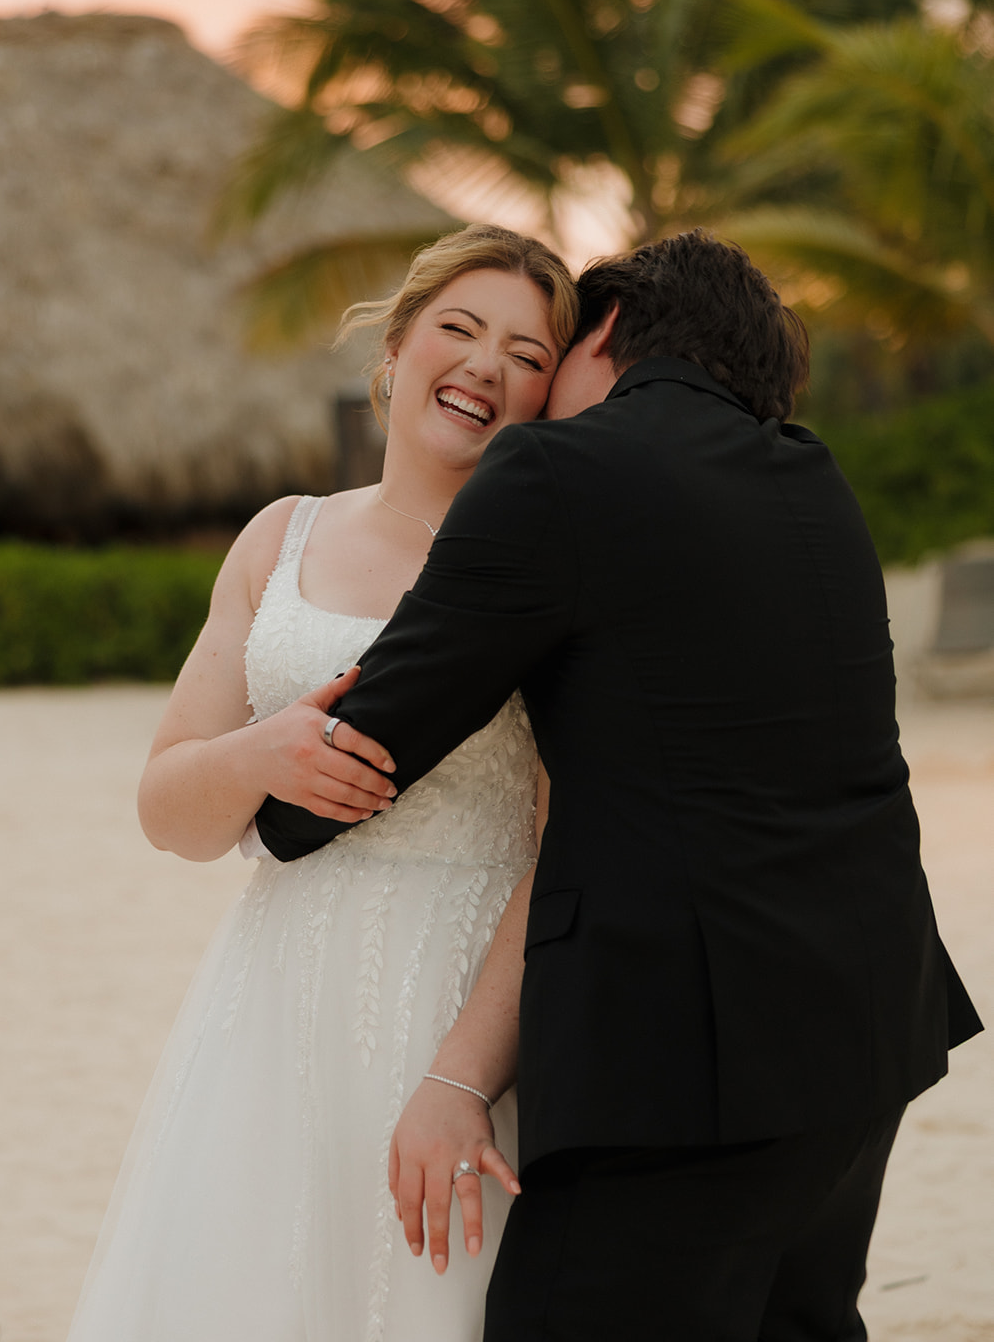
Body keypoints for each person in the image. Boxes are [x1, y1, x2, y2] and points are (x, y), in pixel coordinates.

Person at [257, 229, 982, 1341]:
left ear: (603, 336)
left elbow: (387, 722)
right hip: (867, 1020)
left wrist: (280, 800)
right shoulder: (807, 474)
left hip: (684, 1057)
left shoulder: (557, 469)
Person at [64, 224, 579, 1342]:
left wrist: (460, 1078)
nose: (485, 364)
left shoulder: (549, 573)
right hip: (270, 1002)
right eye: (458, 328)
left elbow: (563, 842)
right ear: (395, 349)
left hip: (461, 1010)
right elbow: (169, 813)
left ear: (545, 398)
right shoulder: (278, 536)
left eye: (526, 353)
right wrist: (260, 755)